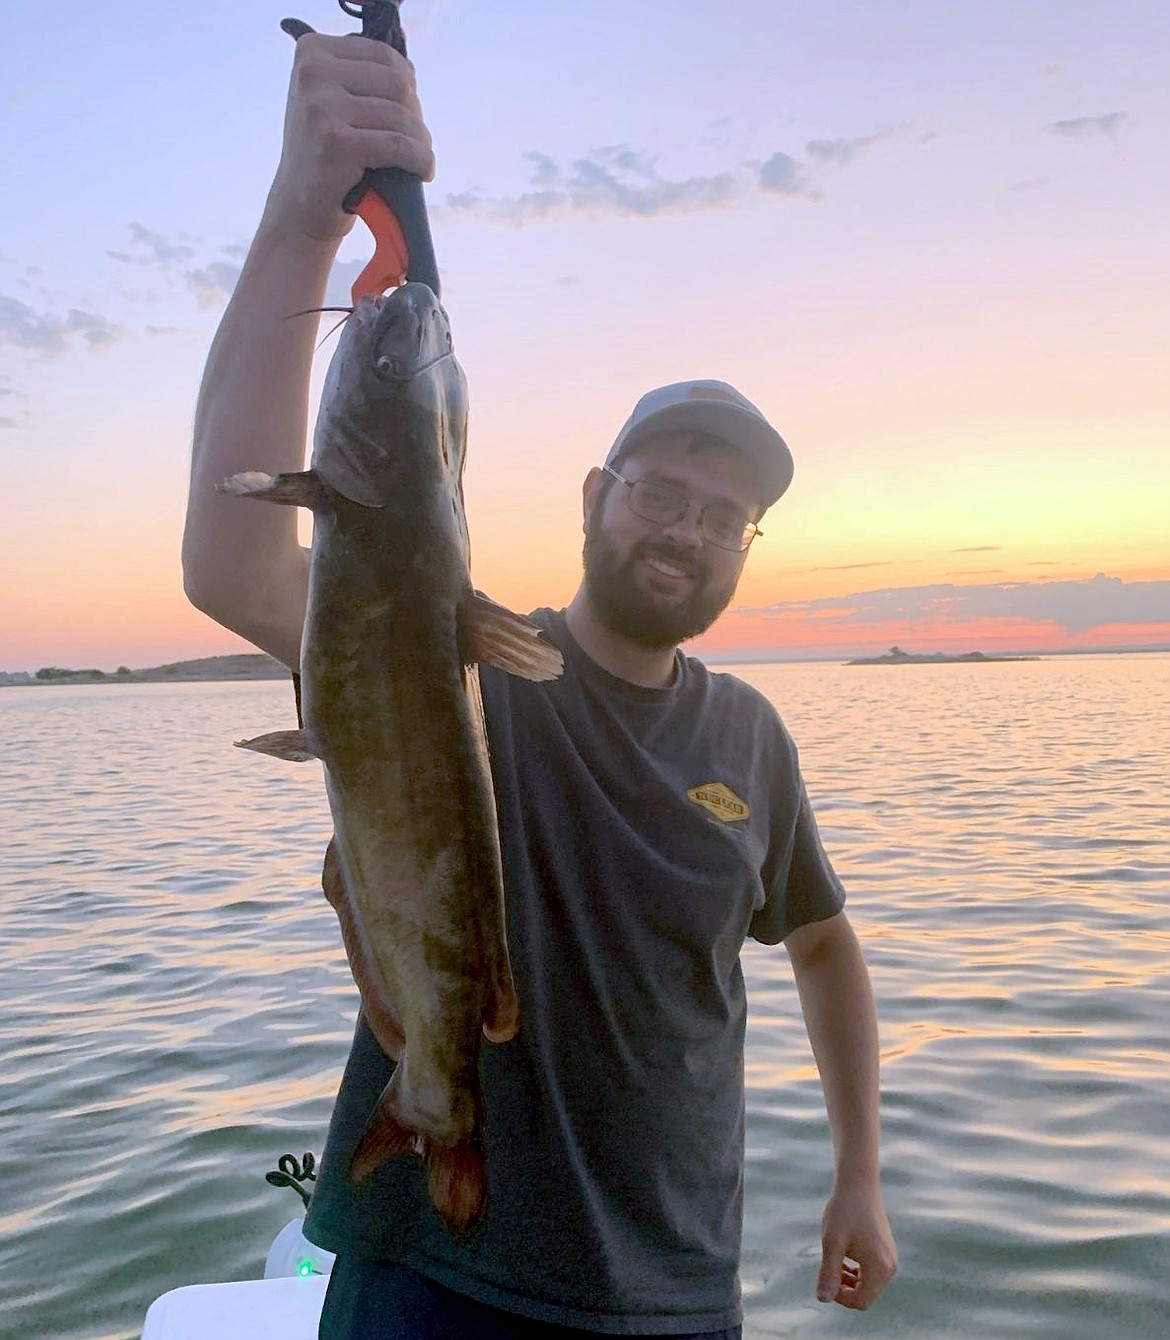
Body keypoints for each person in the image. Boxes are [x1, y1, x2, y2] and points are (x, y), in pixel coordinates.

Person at [183, 30, 897, 1340]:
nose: (684, 531)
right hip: (433, 1284)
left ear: (747, 548)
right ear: (593, 496)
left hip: (677, 1292)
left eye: (722, 515)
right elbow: (234, 569)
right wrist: (298, 222)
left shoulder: (749, 735)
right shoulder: (459, 662)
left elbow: (824, 945)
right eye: (660, 493)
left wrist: (858, 1174)